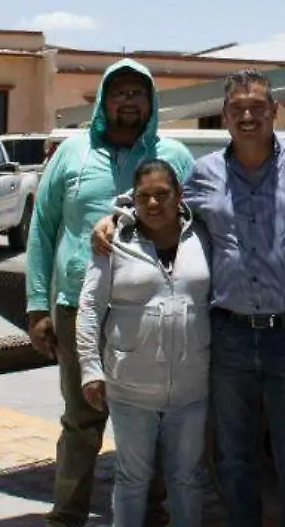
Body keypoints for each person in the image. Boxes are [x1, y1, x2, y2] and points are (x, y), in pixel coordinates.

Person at [26, 59, 194, 527]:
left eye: (137, 93)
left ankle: (151, 514)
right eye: (118, 92)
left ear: (151, 102)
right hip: (77, 307)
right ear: (103, 99)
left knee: (150, 416)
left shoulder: (174, 156)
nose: (127, 101)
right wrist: (37, 305)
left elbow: (196, 224)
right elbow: (42, 228)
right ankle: (67, 515)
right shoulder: (72, 154)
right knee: (81, 419)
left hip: (149, 310)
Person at [180, 70, 285, 527]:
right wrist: (115, 219)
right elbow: (164, 212)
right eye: (238, 109)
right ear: (225, 116)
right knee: (233, 456)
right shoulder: (203, 174)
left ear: (274, 111)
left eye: (257, 107)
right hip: (228, 335)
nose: (248, 116)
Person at [78, 160, 213, 527]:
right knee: (132, 479)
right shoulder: (114, 241)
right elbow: (90, 306)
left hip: (192, 388)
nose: (154, 203)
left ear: (179, 196)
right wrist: (91, 368)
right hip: (130, 390)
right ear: (132, 200)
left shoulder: (202, 236)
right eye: (144, 196)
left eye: (162, 194)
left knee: (187, 479)